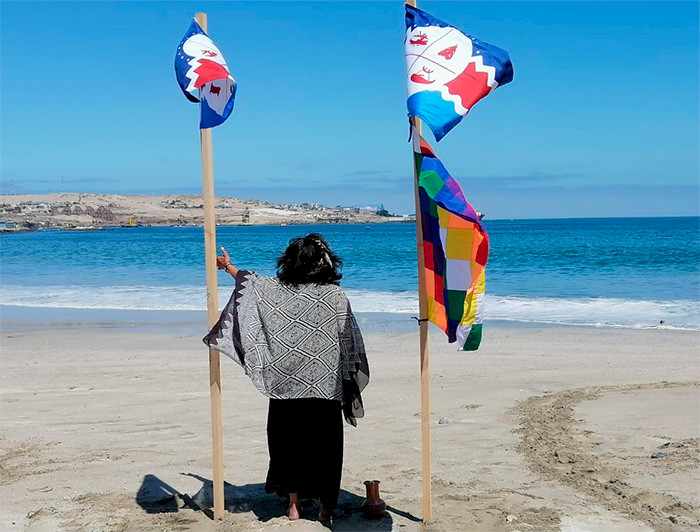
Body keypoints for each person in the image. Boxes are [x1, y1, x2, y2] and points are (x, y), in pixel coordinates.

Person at [203, 233, 370, 523]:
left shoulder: (274, 289)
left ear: (289, 262)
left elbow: (249, 283)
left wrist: (228, 267)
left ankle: (293, 506)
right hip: (324, 385)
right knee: (326, 448)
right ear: (324, 262)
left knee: (287, 445)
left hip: (285, 384)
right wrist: (347, 376)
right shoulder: (334, 296)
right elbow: (349, 340)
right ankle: (325, 508)